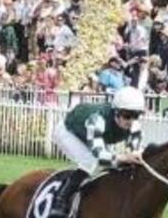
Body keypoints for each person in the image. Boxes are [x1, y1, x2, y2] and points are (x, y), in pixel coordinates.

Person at [48, 87, 146, 218]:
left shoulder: (135, 126)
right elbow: (100, 156)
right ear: (115, 112)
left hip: (91, 136)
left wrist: (133, 156)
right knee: (90, 162)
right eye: (127, 115)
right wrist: (123, 157)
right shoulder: (97, 120)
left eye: (136, 115)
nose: (131, 121)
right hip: (68, 131)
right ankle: (60, 201)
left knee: (118, 163)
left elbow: (135, 153)